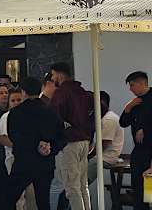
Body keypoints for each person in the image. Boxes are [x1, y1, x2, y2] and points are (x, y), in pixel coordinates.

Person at [7, 77, 66, 209]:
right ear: (40, 90)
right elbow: (62, 136)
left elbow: (14, 137)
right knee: (43, 201)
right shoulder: (51, 111)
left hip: (23, 162)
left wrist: (35, 145)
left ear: (23, 92)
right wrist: (50, 147)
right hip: (45, 163)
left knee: (9, 197)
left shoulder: (16, 112)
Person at [119, 71, 152, 210]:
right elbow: (123, 122)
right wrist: (128, 108)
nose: (130, 89)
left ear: (141, 83)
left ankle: (151, 205)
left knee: (151, 188)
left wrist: (145, 130)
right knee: (138, 188)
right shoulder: (136, 102)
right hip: (139, 151)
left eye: (132, 85)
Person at [49, 62, 94, 210]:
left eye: (53, 75)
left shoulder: (61, 93)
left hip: (69, 142)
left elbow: (53, 117)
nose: (52, 78)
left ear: (60, 74)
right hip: (84, 141)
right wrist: (90, 131)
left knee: (72, 187)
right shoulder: (82, 92)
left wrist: (61, 125)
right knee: (82, 185)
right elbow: (100, 109)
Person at [0, 87, 36, 210]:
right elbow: (5, 139)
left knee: (31, 192)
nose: (16, 103)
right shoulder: (6, 117)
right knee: (18, 194)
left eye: (19, 100)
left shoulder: (29, 115)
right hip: (12, 157)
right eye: (13, 100)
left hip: (30, 158)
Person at [87, 91, 124, 210]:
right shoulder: (105, 118)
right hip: (104, 155)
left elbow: (104, 144)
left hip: (106, 157)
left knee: (81, 183)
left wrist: (89, 155)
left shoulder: (109, 119)